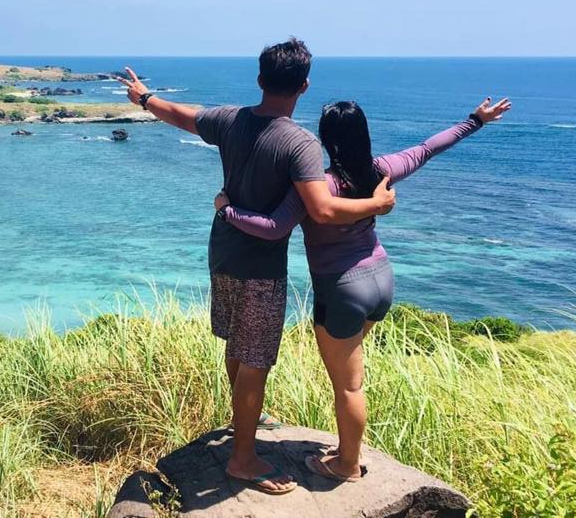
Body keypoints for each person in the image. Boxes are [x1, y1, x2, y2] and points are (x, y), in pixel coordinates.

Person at [116, 39, 396, 495]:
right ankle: (243, 459)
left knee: (237, 343)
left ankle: (243, 421)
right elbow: (323, 210)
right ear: (304, 86)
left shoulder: (230, 119)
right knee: (256, 359)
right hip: (261, 266)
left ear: (260, 79)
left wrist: (145, 98)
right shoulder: (300, 144)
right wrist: (376, 205)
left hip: (223, 248)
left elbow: (180, 115)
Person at [214, 97, 511, 483]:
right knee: (350, 376)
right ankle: (345, 453)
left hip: (342, 288)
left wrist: (227, 209)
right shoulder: (382, 170)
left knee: (349, 385)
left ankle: (347, 465)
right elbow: (427, 149)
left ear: (324, 139)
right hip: (381, 281)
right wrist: (475, 121)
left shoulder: (317, 188)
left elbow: (273, 228)